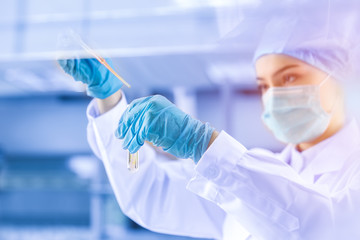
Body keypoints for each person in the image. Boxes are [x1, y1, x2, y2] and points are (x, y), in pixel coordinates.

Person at [58, 17, 360, 240]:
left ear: (342, 77)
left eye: (290, 78)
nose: (273, 95)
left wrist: (202, 143)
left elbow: (320, 228)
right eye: (263, 85)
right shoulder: (263, 172)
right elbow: (150, 193)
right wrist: (108, 98)